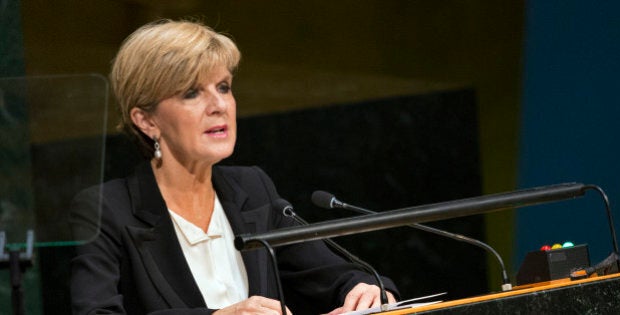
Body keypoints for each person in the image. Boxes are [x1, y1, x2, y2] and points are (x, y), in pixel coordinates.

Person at [70, 19, 398, 315]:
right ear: (146, 120)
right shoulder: (108, 209)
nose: (219, 105)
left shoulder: (252, 187)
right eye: (191, 93)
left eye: (224, 87)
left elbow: (329, 273)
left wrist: (361, 288)